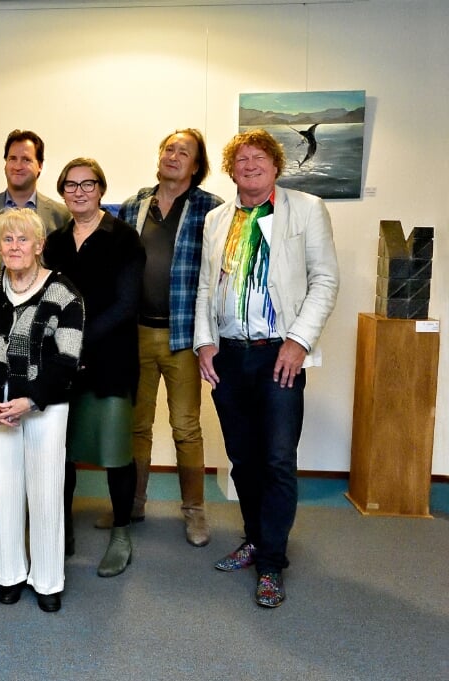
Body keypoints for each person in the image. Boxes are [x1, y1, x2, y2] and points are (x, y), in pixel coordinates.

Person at [194, 129, 339, 608]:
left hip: (281, 353)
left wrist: (299, 342)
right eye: (241, 158)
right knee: (243, 457)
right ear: (231, 169)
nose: (250, 164)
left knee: (277, 458)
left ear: (276, 166)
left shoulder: (305, 209)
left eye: (259, 157)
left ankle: (272, 563)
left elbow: (325, 281)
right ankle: (255, 539)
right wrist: (205, 344)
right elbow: (203, 289)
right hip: (230, 354)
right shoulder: (217, 219)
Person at [0, 208, 84, 613]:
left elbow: (67, 358)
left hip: (45, 405)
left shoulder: (64, 293)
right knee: (7, 488)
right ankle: (10, 572)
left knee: (46, 490)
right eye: (8, 240)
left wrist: (30, 399)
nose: (15, 247)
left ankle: (48, 579)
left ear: (39, 245)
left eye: (23, 239)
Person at [116, 129, 223, 547]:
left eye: (184, 152)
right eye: (168, 148)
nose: (173, 156)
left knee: (185, 428)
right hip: (136, 333)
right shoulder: (133, 205)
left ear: (196, 165)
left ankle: (195, 512)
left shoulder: (211, 210)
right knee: (137, 426)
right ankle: (134, 503)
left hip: (181, 337)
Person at [44, 158, 145, 578]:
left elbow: (126, 305)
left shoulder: (124, 238)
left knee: (116, 451)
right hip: (62, 365)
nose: (79, 191)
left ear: (101, 189)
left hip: (111, 359)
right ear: (63, 191)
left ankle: (121, 533)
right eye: (71, 185)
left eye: (88, 184)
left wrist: (77, 341)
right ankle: (61, 529)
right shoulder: (54, 241)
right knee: (60, 452)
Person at [0, 130, 70, 250]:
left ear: (40, 166)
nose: (18, 166)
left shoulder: (61, 215)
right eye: (12, 159)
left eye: (26, 159)